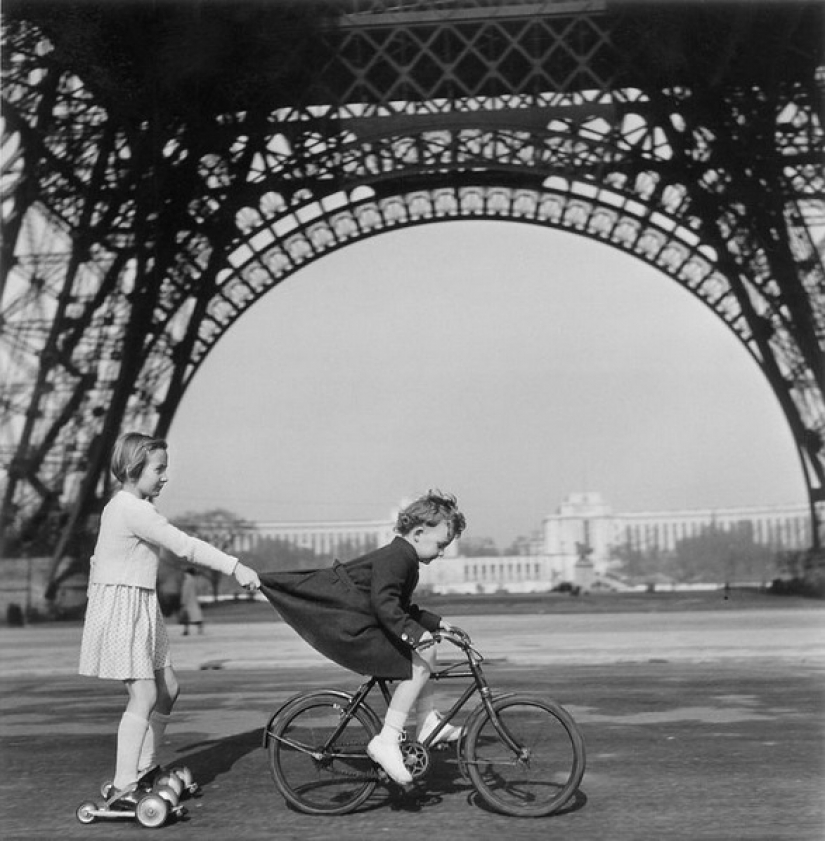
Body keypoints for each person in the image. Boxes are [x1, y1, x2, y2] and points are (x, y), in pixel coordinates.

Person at [78, 432, 260, 807]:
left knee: (169, 689)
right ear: (133, 468)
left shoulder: (127, 507)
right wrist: (235, 566)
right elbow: (184, 546)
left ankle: (143, 768)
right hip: (123, 606)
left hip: (140, 603)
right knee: (143, 694)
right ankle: (123, 784)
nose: (164, 477)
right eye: (159, 469)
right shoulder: (132, 509)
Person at [260, 490, 466, 785]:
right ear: (419, 533)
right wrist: (417, 636)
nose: (443, 552)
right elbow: (386, 606)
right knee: (421, 660)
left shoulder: (405, 558)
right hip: (355, 630)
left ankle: (426, 720)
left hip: (363, 625)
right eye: (442, 545)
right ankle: (388, 739)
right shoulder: (398, 558)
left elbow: (402, 608)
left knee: (428, 651)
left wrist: (438, 624)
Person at [179, 567, 204, 635]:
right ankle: (200, 630)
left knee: (186, 616)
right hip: (194, 601)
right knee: (196, 616)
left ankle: (186, 630)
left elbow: (185, 592)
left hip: (188, 601)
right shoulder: (194, 580)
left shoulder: (187, 581)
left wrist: (183, 601)